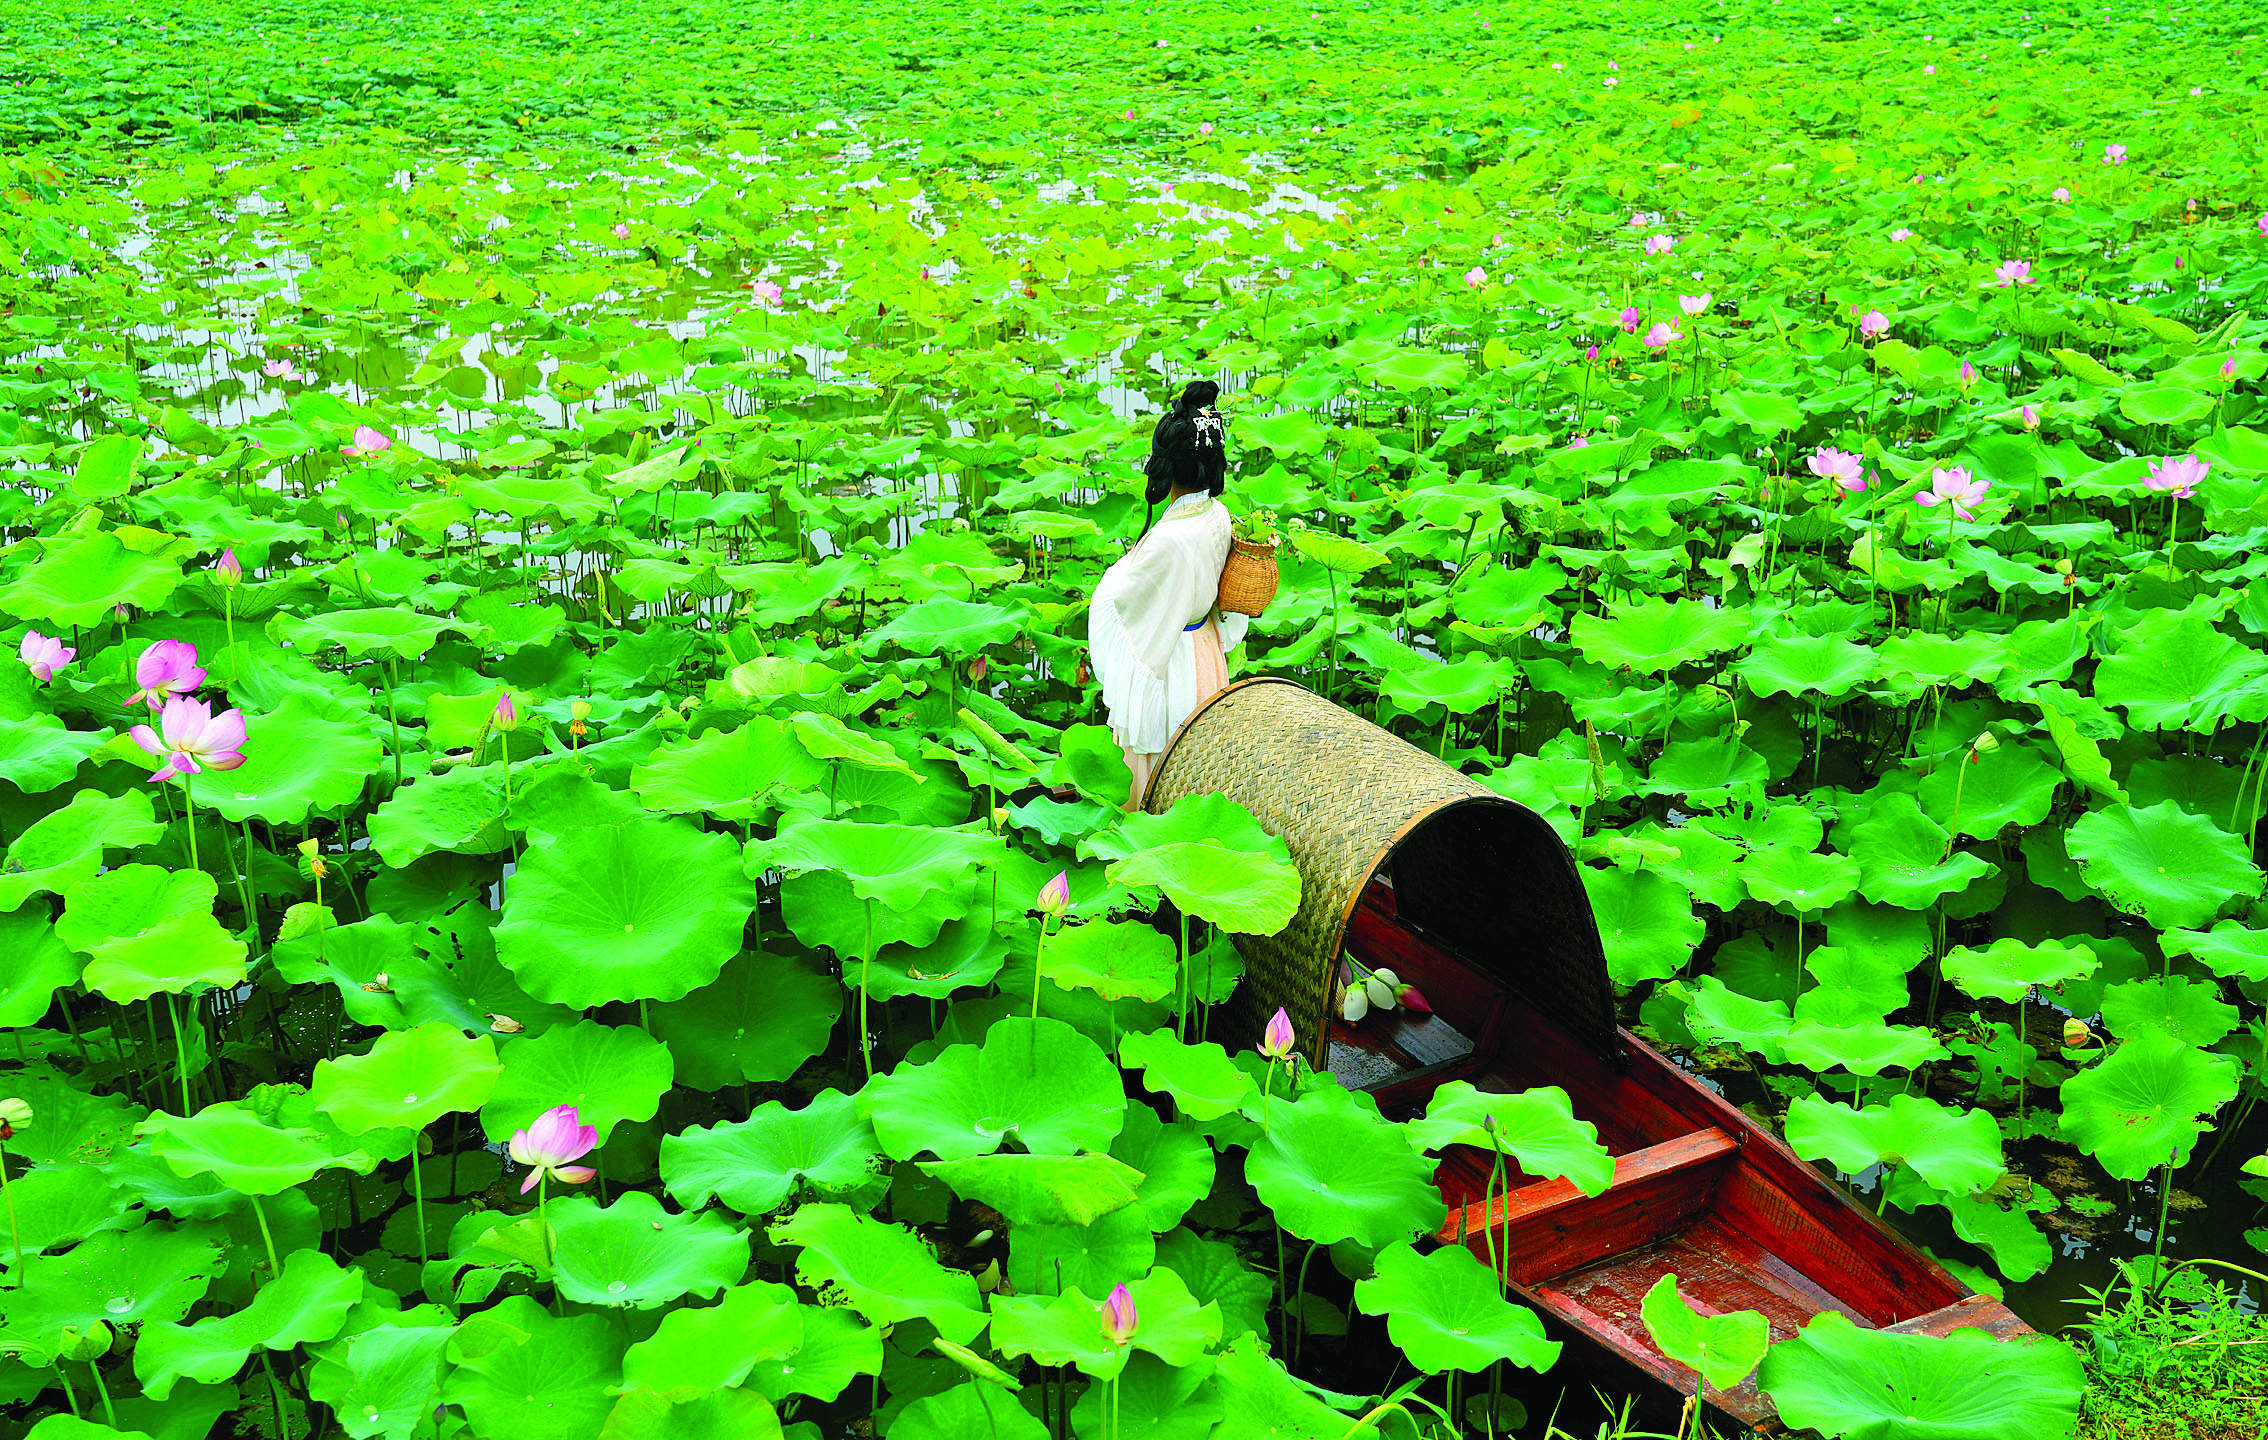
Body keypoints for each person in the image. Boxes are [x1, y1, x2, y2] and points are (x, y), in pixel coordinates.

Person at [1089, 379, 1250, 811]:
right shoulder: (1218, 513)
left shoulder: (1169, 539)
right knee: (1199, 765)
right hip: (1205, 654)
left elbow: (1120, 601)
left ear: (1165, 466)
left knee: (1159, 771)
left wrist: (1119, 570)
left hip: (1171, 662)